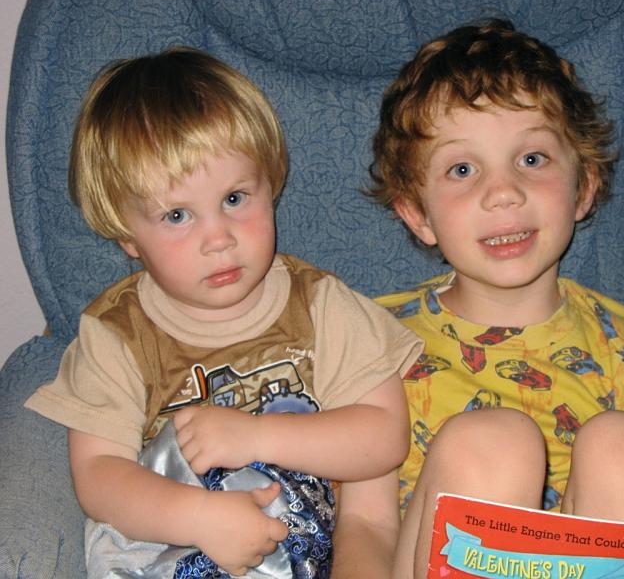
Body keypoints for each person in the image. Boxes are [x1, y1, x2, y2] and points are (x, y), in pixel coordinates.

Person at [24, 46, 422, 579]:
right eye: (177, 215)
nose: (218, 239)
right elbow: (99, 476)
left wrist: (254, 437)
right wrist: (200, 517)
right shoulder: (117, 334)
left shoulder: (321, 305)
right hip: (176, 548)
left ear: (269, 186)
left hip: (317, 549)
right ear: (127, 237)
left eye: (235, 199)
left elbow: (383, 437)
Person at [369, 19, 624, 578]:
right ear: (418, 214)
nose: (503, 193)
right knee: (492, 445)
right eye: (462, 169)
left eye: (532, 159)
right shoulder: (372, 336)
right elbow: (360, 523)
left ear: (584, 187)